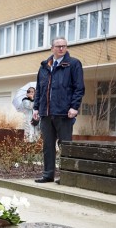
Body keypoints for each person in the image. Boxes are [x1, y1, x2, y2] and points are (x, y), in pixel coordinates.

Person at [32, 36, 85, 183]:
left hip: (64, 113)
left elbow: (79, 88)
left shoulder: (73, 64)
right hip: (46, 113)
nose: (61, 48)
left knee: (65, 145)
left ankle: (67, 176)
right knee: (48, 145)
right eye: (58, 46)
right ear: (52, 48)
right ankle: (48, 175)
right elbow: (40, 89)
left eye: (64, 46)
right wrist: (36, 108)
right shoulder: (44, 67)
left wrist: (74, 107)